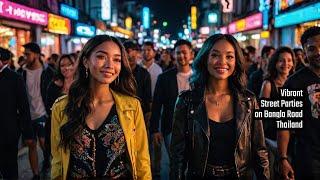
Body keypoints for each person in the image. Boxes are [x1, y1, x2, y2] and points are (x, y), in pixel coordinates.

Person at [51, 35, 151, 180]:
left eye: (116, 59)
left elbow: (142, 160)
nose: (110, 65)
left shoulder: (131, 107)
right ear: (85, 61)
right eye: (101, 57)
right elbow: (57, 162)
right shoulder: (61, 108)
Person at [170, 34, 270, 179]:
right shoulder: (186, 101)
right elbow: (177, 155)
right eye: (215, 55)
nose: (222, 62)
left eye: (229, 56)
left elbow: (260, 150)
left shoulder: (249, 101)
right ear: (205, 59)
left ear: (236, 61)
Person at [278, 26, 320, 180]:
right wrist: (283, 159)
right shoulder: (293, 83)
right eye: (312, 48)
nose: (318, 52)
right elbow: (285, 124)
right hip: (309, 158)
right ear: (304, 51)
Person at [260, 47, 295, 180]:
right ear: (275, 63)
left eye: (289, 60)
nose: (286, 64)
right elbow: (264, 112)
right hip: (271, 138)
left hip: (293, 139)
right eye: (281, 60)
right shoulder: (268, 84)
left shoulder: (295, 82)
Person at [21, 42, 55, 179]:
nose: (25, 56)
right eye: (25, 54)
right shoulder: (21, 72)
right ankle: (36, 174)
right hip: (27, 115)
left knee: (43, 143)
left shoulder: (48, 72)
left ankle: (50, 164)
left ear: (36, 54)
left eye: (28, 54)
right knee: (31, 144)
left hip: (43, 114)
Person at [0, 47, 34, 179]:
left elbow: (24, 107)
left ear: (5, 61)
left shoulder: (15, 78)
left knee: (9, 168)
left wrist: (27, 133)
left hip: (9, 132)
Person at [44, 54, 79, 172]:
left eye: (70, 64)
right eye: (63, 65)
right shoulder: (54, 85)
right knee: (59, 160)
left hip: (78, 130)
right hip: (57, 129)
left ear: (76, 65)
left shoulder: (82, 84)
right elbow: (49, 106)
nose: (66, 68)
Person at [123, 40, 152, 125]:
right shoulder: (117, 72)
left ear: (137, 55)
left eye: (133, 54)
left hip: (138, 114)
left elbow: (147, 98)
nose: (130, 56)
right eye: (127, 52)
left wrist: (147, 115)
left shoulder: (144, 74)